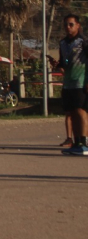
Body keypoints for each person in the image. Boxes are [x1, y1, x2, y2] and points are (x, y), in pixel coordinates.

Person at [50, 14, 88, 155]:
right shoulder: (63, 43)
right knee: (71, 112)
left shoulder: (84, 41)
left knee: (80, 111)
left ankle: (83, 143)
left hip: (81, 81)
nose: (68, 27)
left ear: (78, 25)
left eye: (71, 24)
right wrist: (57, 64)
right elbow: (64, 63)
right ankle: (76, 142)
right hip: (68, 83)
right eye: (66, 24)